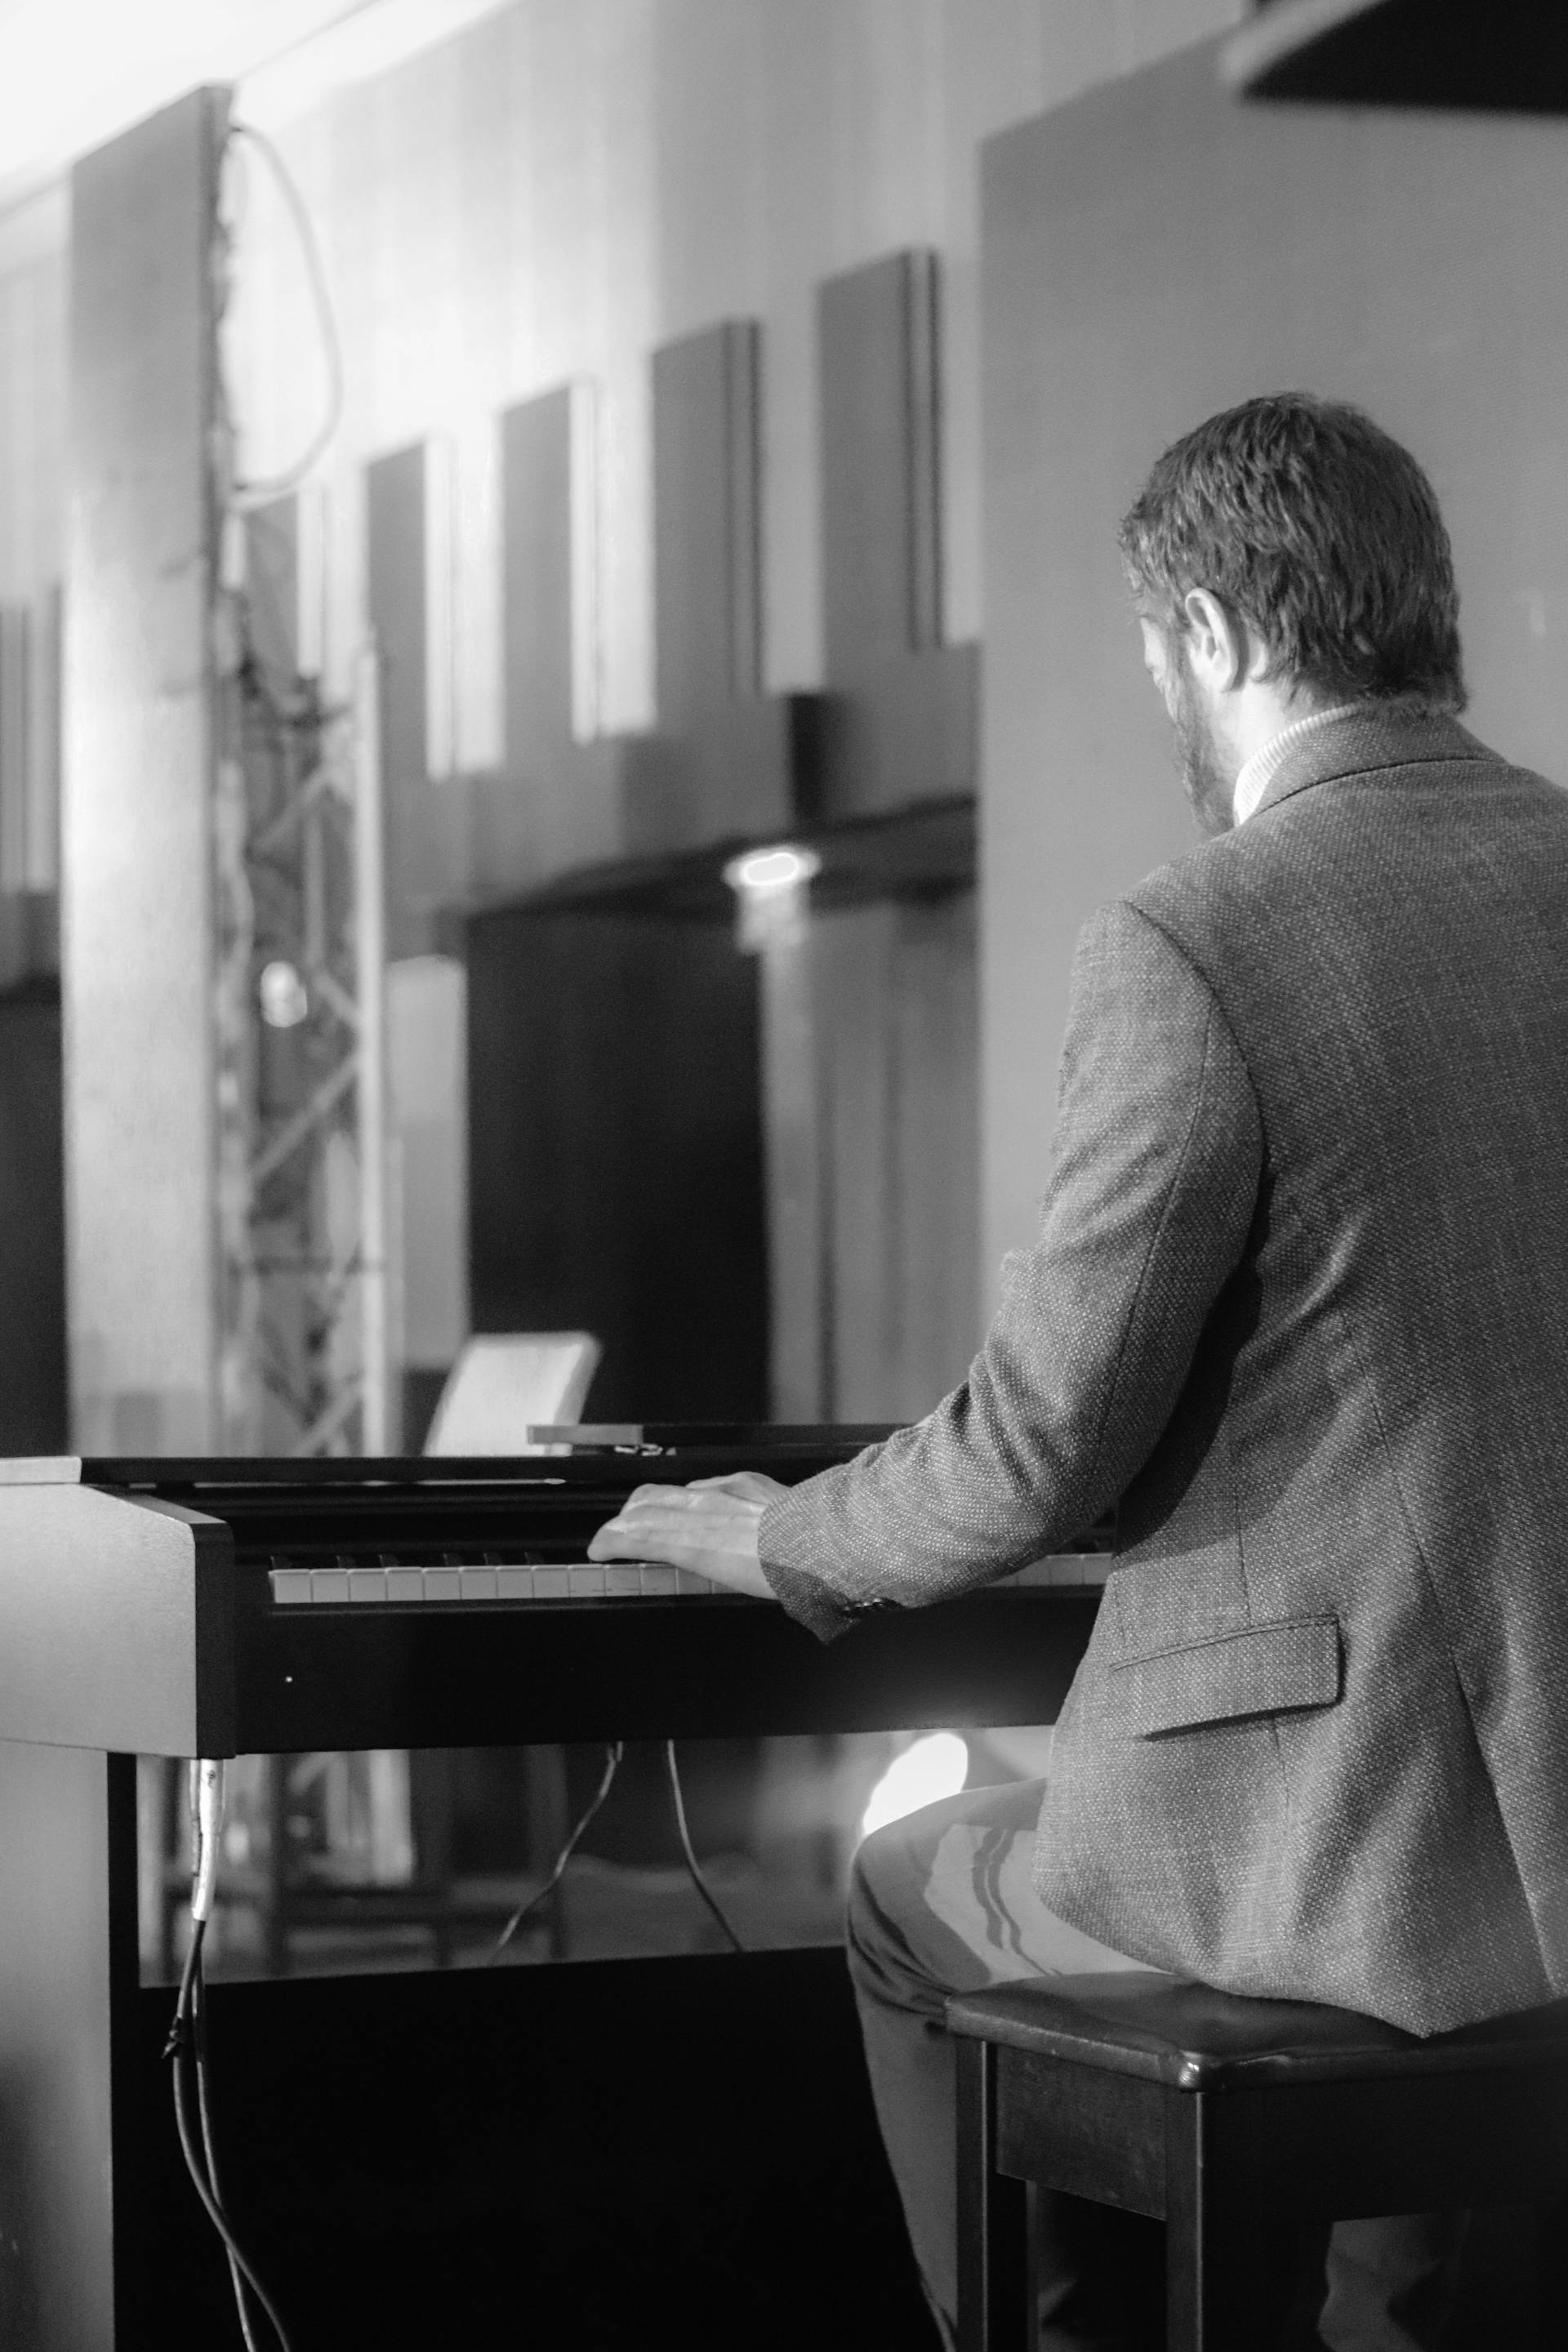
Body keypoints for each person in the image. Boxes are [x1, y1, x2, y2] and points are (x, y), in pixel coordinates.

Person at [590, 394, 1568, 2349]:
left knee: (904, 1882)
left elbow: (1037, 1445)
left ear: (1209, 633)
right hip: (1543, 1835)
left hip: (1339, 1840)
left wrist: (793, 1534)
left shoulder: (1198, 939)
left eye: (1151, 655)